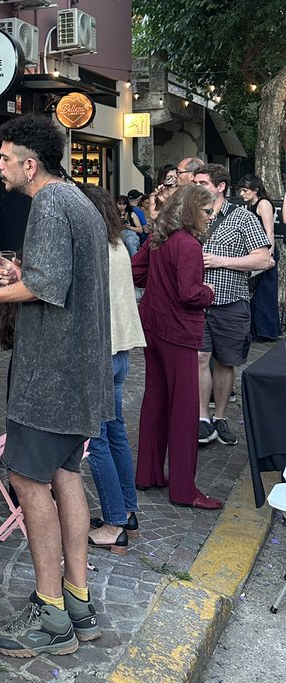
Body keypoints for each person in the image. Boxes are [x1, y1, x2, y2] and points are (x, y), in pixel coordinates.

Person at [0, 115, 112, 659]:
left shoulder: (48, 203)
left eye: (3, 159)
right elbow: (55, 276)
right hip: (80, 371)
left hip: (51, 376)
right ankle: (76, 603)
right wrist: (20, 274)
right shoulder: (79, 201)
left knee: (27, 483)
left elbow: (48, 285)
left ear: (30, 163)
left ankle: (49, 615)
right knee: (65, 476)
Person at [131, 184, 219, 507]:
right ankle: (183, 490)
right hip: (178, 333)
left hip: (153, 328)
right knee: (184, 410)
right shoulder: (188, 244)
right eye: (206, 211)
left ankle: (148, 474)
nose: (209, 217)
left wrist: (159, 283)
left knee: (155, 401)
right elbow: (190, 293)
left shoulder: (159, 239)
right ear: (191, 211)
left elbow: (135, 272)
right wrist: (208, 292)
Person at [80, 186, 144, 551]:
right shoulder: (118, 244)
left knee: (98, 439)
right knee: (115, 432)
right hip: (121, 349)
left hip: (100, 351)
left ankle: (115, 522)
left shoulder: (93, 249)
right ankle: (128, 512)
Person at [193, 163, 271, 447]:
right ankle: (202, 418)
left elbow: (264, 259)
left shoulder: (242, 218)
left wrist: (222, 261)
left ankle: (220, 417)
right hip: (196, 302)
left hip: (231, 301)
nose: (196, 187)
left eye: (202, 183)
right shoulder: (189, 216)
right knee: (200, 358)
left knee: (226, 362)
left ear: (220, 186)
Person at [237, 173, 280, 341]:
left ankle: (266, 331)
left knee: (265, 293)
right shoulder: (251, 205)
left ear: (255, 190)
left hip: (265, 252)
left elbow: (270, 230)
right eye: (240, 190)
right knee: (256, 293)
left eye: (245, 190)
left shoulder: (263, 204)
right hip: (256, 252)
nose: (241, 194)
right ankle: (258, 330)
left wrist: (269, 254)